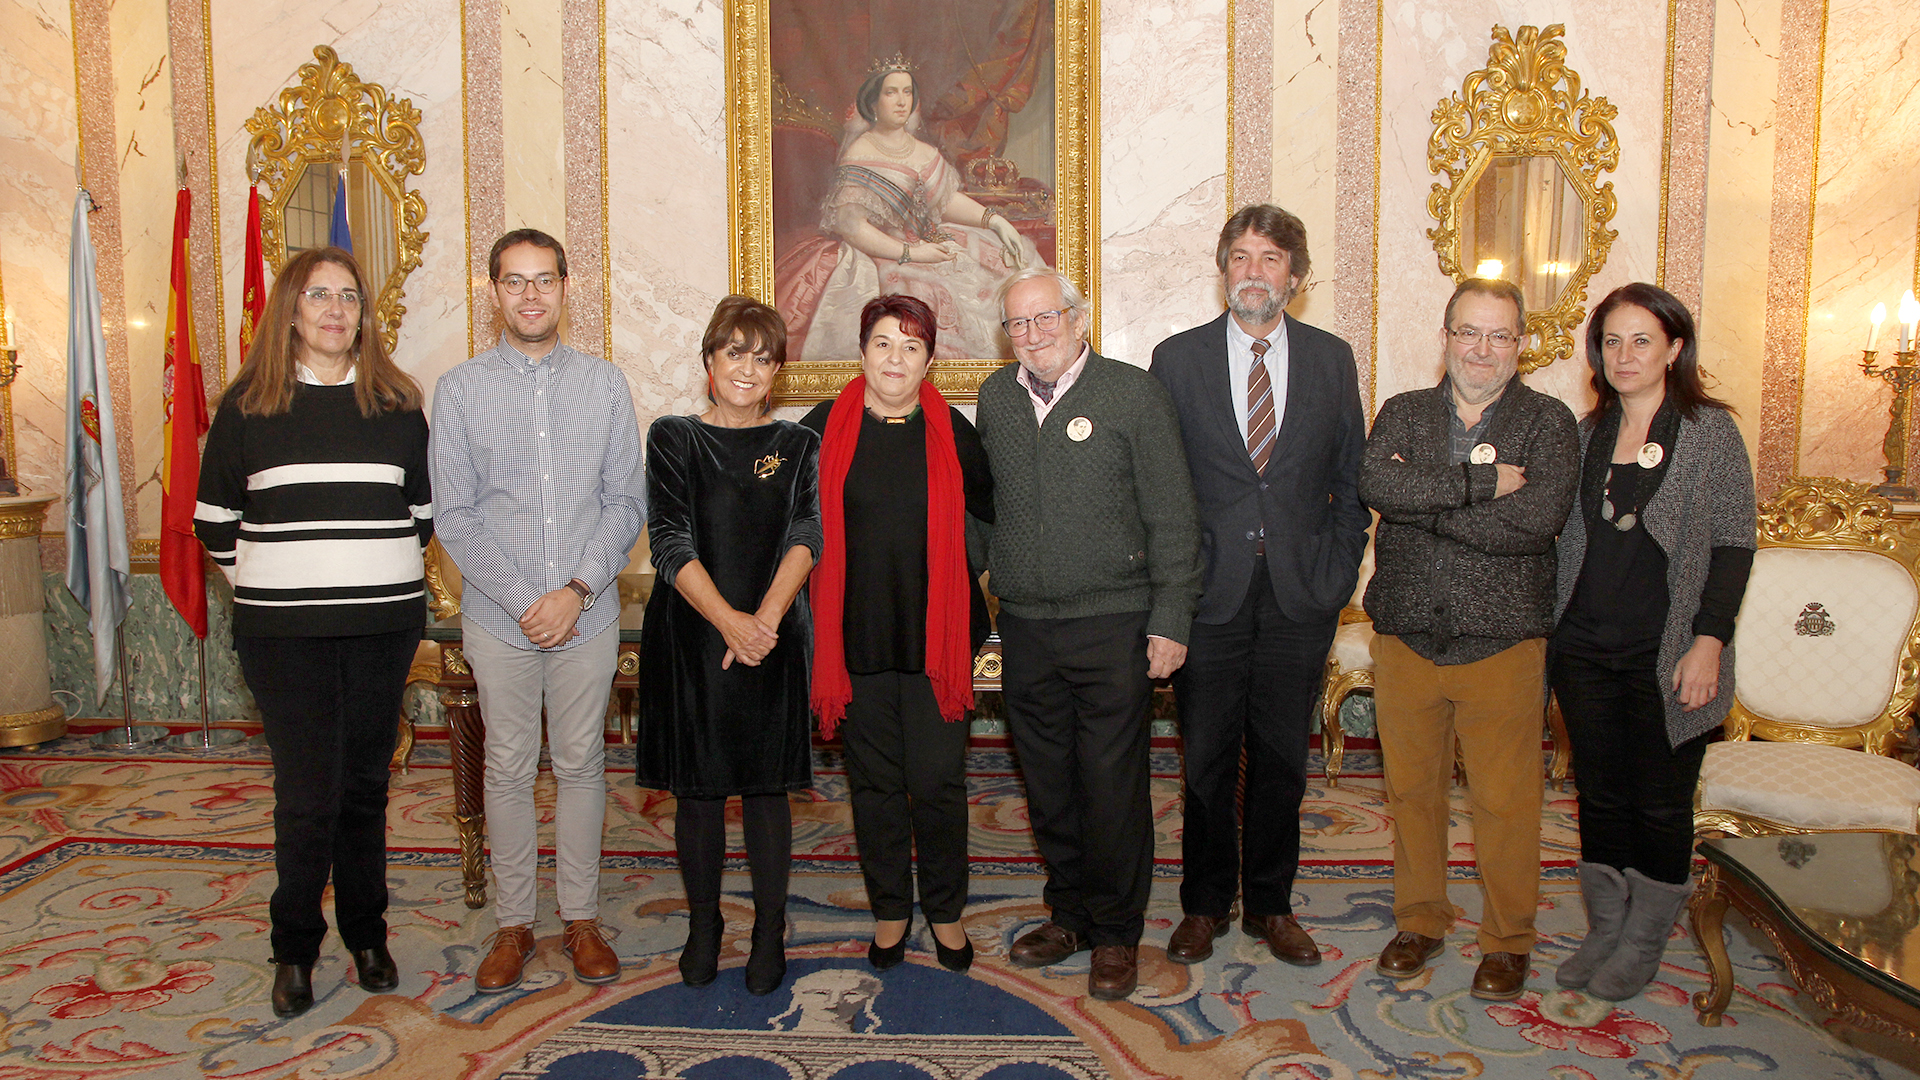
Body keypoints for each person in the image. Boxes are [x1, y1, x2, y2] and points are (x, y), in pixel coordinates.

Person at [194, 246, 432, 1018]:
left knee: (365, 787)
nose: (336, 310)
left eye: (350, 298)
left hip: (381, 628)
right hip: (283, 638)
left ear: (366, 315)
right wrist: (278, 585)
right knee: (306, 795)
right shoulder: (248, 407)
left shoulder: (398, 407)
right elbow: (214, 525)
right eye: (319, 295)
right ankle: (294, 946)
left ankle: (367, 934)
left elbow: (421, 522)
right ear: (290, 310)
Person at [975, 266, 1203, 1000]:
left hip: (1114, 624)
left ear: (1079, 319)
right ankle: (1067, 913)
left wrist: (1171, 619)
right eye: (1018, 323)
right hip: (1028, 630)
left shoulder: (1132, 393)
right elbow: (986, 514)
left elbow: (1173, 515)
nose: (1033, 335)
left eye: (1046, 319)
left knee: (1111, 787)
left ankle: (1114, 933)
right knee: (1047, 784)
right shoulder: (995, 399)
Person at [1150, 205, 1368, 967]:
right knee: (1205, 757)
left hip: (1300, 597)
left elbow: (1351, 480)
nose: (1253, 271)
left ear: (1295, 278)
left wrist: (1337, 574)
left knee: (1282, 759)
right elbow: (1161, 488)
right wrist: (1169, 593)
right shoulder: (1175, 361)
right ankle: (1206, 905)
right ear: (1223, 272)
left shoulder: (1332, 360)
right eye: (1239, 256)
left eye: (1270, 258)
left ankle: (1270, 905)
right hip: (1209, 596)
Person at [430, 229, 645, 993]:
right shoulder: (458, 391)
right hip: (500, 619)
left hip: (585, 616)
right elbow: (455, 517)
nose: (530, 295)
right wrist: (528, 602)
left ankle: (581, 918)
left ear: (565, 287)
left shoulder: (604, 385)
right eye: (514, 281)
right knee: (510, 768)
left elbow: (625, 503)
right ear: (493, 291)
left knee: (584, 764)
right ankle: (515, 925)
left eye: (544, 280)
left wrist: (577, 591)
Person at [1358, 277, 1579, 1002]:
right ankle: (1421, 919)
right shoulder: (1404, 412)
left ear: (1521, 345)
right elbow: (1374, 485)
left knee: (1506, 801)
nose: (1482, 349)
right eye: (1469, 333)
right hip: (1407, 638)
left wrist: (1421, 498)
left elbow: (1537, 522)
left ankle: (1508, 939)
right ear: (1445, 337)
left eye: (1499, 335)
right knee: (1412, 792)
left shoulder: (1550, 423)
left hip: (1502, 641)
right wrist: (1482, 485)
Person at [1549, 283, 1754, 1001]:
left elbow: (1733, 544)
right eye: (1611, 341)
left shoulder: (1709, 432)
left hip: (1668, 651)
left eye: (1642, 340)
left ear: (1673, 348)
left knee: (1661, 804)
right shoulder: (1586, 432)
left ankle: (1642, 944)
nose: (1625, 354)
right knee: (1600, 796)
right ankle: (1605, 930)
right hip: (1582, 645)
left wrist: (1709, 641)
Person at [800, 294, 994, 974]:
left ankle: (945, 910)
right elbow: (795, 530)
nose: (895, 358)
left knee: (938, 783)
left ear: (930, 360)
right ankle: (889, 910)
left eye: (911, 346)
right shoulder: (822, 427)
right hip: (854, 642)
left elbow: (995, 523)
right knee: (875, 786)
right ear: (861, 352)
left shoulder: (956, 434)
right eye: (883, 343)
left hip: (935, 643)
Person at [635, 295, 822, 997]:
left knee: (768, 789)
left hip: (774, 637)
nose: (748, 367)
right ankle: (704, 925)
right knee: (700, 790)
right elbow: (668, 540)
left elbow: (809, 535)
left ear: (777, 370)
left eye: (762, 355)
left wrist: (763, 622)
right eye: (734, 352)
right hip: (691, 633)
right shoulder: (674, 437)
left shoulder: (799, 445)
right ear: (709, 362)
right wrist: (729, 622)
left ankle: (770, 931)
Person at [774, 57, 1043, 365]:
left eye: (907, 92)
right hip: (881, 252)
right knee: (933, 294)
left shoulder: (924, 152)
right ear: (873, 102)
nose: (901, 102)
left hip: (927, 238)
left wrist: (994, 221)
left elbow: (944, 200)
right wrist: (914, 253)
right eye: (891, 93)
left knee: (1001, 267)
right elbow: (853, 227)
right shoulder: (861, 153)